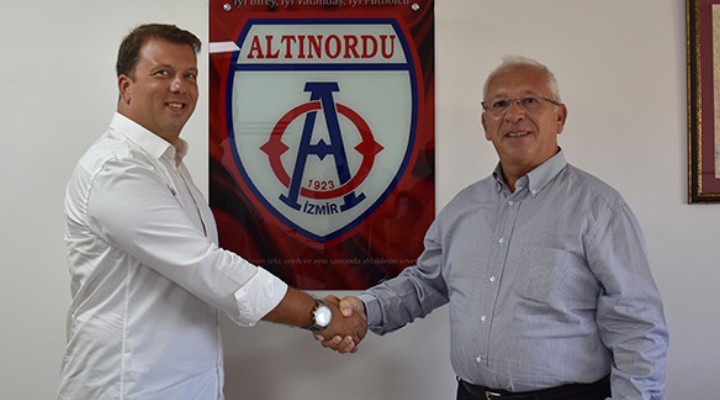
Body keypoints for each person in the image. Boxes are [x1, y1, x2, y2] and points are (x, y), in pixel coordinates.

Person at [320, 56, 669, 399]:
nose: (514, 114)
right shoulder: (463, 209)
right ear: (486, 124)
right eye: (500, 104)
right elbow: (424, 283)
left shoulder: (600, 210)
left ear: (560, 117)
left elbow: (637, 327)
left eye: (530, 100)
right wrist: (363, 309)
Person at [57, 23, 365, 400]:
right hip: (127, 388)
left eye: (190, 75)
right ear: (125, 87)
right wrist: (320, 315)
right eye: (162, 73)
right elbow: (209, 269)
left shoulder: (167, 164)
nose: (179, 86)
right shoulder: (116, 169)